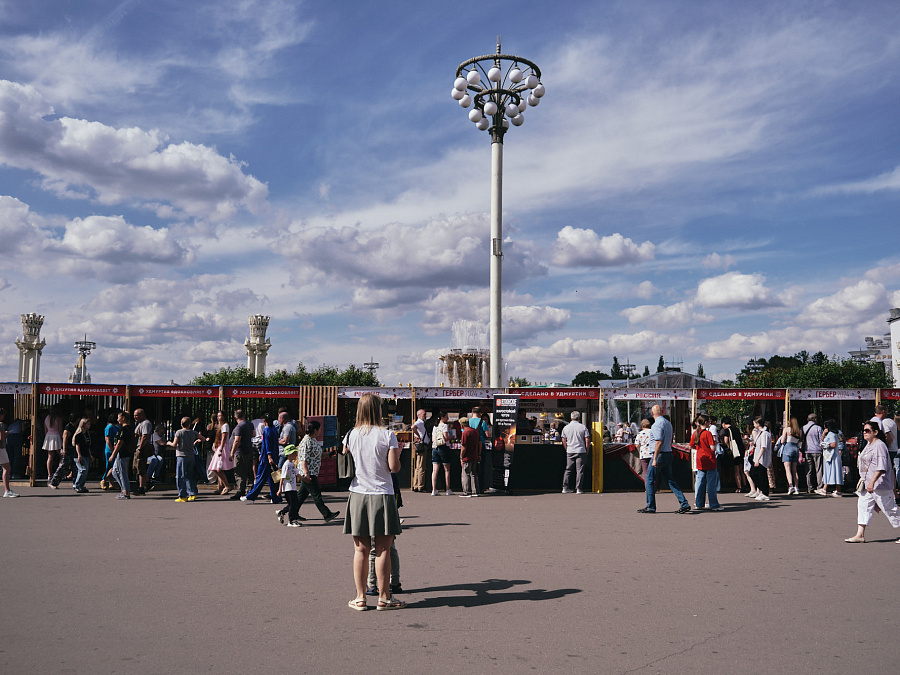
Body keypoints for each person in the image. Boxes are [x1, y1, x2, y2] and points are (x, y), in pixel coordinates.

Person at [342, 393, 405, 611]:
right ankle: (385, 598)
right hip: (382, 494)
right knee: (383, 549)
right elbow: (394, 468)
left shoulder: (351, 435)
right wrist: (399, 454)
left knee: (360, 550)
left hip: (358, 493)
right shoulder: (387, 435)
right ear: (378, 410)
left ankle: (360, 597)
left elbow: (348, 458)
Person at [844, 423, 900, 543]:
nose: (864, 432)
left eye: (867, 430)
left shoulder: (879, 445)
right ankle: (860, 534)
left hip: (879, 484)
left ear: (875, 432)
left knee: (890, 509)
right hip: (868, 484)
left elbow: (881, 467)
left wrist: (872, 482)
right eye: (863, 430)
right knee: (863, 506)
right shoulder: (869, 445)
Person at [638, 405, 691, 514]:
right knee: (670, 480)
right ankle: (684, 503)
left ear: (652, 414)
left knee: (649, 479)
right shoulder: (668, 423)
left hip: (660, 454)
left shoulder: (656, 424)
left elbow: (658, 442)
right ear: (661, 411)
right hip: (668, 453)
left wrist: (655, 459)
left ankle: (650, 506)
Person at [293, 420, 340, 521]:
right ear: (315, 430)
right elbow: (303, 459)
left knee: (301, 496)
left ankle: (289, 512)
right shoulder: (306, 441)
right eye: (319, 430)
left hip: (312, 471)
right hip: (309, 472)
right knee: (316, 494)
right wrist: (306, 474)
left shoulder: (313, 440)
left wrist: (329, 454)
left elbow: (318, 455)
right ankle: (326, 514)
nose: (320, 432)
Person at [242, 413, 281, 504]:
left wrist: (268, 455)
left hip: (267, 458)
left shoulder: (266, 430)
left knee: (260, 477)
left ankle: (251, 496)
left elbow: (267, 444)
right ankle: (276, 497)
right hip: (274, 456)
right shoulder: (274, 430)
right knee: (274, 478)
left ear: (264, 421)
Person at [689, 415, 723, 511]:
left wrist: (699, 449)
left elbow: (691, 445)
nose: (710, 423)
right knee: (711, 484)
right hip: (710, 459)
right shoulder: (708, 433)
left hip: (700, 459)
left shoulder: (696, 433)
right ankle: (714, 504)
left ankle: (699, 503)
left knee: (700, 482)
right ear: (705, 423)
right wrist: (715, 442)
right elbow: (712, 447)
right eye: (708, 422)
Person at [168, 416, 200, 502]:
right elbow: (203, 438)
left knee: (180, 476)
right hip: (190, 456)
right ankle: (192, 493)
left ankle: (182, 495)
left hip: (181, 456)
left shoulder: (179, 432)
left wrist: (169, 443)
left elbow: (174, 444)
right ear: (189, 424)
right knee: (190, 475)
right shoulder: (193, 432)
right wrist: (195, 442)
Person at [561, 411, 591, 494]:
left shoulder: (566, 427)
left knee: (568, 469)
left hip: (570, 450)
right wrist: (587, 449)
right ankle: (579, 488)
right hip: (581, 450)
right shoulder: (583, 427)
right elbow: (587, 439)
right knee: (580, 470)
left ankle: (565, 487)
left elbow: (563, 440)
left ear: (571, 418)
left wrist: (566, 449)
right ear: (579, 418)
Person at [229, 409, 254, 500]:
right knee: (248, 471)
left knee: (239, 472)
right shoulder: (249, 424)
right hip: (248, 450)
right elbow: (254, 434)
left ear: (235, 417)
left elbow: (237, 440)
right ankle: (250, 489)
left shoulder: (239, 426)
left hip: (240, 452)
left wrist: (232, 453)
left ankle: (241, 490)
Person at [870, 405, 897, 488]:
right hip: (893, 449)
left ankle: (891, 492)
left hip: (889, 449)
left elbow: (889, 438)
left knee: (886, 471)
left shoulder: (885, 422)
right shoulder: (889, 421)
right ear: (883, 412)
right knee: (890, 471)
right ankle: (893, 492)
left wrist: (884, 448)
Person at [48, 414, 77, 489]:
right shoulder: (68, 427)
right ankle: (54, 482)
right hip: (68, 448)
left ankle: (76, 482)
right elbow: (65, 438)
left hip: (72, 449)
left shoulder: (74, 427)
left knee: (75, 466)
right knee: (64, 466)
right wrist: (64, 449)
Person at [109, 412, 133, 499]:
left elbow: (120, 443)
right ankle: (123, 488)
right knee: (115, 471)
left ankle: (126, 492)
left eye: (118, 417)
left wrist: (113, 454)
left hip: (122, 453)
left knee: (122, 473)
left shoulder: (124, 429)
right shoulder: (125, 428)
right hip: (122, 453)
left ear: (123, 418)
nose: (117, 419)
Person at [208, 411, 233, 495]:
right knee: (217, 468)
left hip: (223, 447)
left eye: (221, 416)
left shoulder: (225, 426)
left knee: (218, 468)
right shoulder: (220, 426)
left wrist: (221, 449)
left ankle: (226, 486)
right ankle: (220, 486)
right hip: (219, 446)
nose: (219, 417)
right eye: (218, 416)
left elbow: (224, 438)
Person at [277, 445, 302, 526]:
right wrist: (280, 489)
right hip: (287, 488)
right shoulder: (286, 464)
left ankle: (282, 512)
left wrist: (305, 479)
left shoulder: (293, 464)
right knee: (292, 504)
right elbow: (282, 477)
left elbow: (297, 474)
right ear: (289, 454)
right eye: (294, 453)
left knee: (294, 503)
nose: (296, 455)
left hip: (293, 487)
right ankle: (291, 520)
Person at [720, 417, 746, 493]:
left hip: (735, 451)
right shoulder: (736, 429)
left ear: (723, 424)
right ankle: (744, 485)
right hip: (740, 449)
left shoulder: (727, 430)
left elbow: (726, 441)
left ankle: (739, 487)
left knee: (736, 470)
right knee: (742, 469)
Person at [749, 417, 772, 502]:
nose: (754, 425)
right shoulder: (761, 433)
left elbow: (763, 447)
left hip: (762, 458)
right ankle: (763, 491)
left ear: (758, 424)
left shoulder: (764, 433)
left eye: (754, 423)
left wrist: (758, 459)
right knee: (756, 474)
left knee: (759, 475)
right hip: (758, 457)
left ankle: (765, 492)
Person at [431, 412, 453, 496]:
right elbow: (446, 438)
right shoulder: (444, 426)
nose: (448, 418)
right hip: (443, 448)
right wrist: (452, 437)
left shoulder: (435, 426)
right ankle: (448, 489)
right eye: (447, 417)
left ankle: (434, 489)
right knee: (447, 469)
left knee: (435, 470)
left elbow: (433, 439)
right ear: (442, 417)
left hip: (435, 447)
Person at [778, 416, 802, 495]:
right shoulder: (799, 431)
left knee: (787, 469)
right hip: (795, 448)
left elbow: (782, 441)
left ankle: (790, 486)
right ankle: (797, 487)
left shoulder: (786, 429)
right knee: (794, 470)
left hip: (788, 447)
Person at [820, 419, 844, 497]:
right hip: (833, 455)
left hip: (831, 456)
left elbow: (833, 444)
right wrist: (823, 434)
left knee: (831, 471)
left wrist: (826, 445)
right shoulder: (835, 433)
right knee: (835, 471)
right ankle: (837, 489)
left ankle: (826, 489)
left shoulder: (831, 434)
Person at [132, 409, 153, 496]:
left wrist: (140, 448)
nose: (135, 417)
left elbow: (145, 436)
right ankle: (143, 485)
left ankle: (145, 484)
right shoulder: (140, 424)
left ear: (142, 415)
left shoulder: (146, 423)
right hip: (138, 447)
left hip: (142, 448)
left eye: (136, 415)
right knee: (138, 467)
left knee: (140, 467)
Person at [802, 413, 824, 494]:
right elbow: (821, 440)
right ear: (815, 419)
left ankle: (810, 487)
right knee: (819, 469)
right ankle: (819, 486)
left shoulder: (803, 428)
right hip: (817, 450)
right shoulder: (818, 428)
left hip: (807, 450)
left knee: (809, 470)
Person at [460, 415, 480, 497]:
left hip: (467, 457)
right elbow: (480, 443)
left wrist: (461, 456)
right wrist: (479, 453)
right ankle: (475, 491)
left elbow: (464, 446)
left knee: (465, 473)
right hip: (474, 455)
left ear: (462, 425)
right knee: (474, 474)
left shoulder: (465, 433)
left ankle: (466, 491)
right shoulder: (475, 431)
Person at [70, 417, 92, 493]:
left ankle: (81, 485)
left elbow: (87, 446)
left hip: (85, 454)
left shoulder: (86, 434)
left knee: (85, 471)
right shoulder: (79, 435)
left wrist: (90, 455)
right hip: (79, 455)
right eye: (88, 424)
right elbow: (77, 445)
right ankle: (77, 485)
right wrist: (79, 455)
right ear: (83, 424)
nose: (89, 425)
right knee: (82, 470)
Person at [0, 408, 18, 498]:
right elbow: (1, 438)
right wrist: (6, 434)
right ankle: (7, 490)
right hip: (0, 448)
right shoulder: (1, 424)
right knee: (7, 468)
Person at [43, 406, 64, 481]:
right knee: (61, 456)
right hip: (57, 436)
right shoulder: (58, 418)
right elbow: (60, 430)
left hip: (49, 436)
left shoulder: (47, 417)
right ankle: (59, 473)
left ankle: (49, 474)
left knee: (50, 457)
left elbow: (45, 430)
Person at [411, 409, 429, 492]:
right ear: (419, 415)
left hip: (419, 444)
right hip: (422, 445)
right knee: (421, 466)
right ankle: (420, 486)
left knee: (418, 466)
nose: (425, 416)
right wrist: (418, 436)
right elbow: (413, 427)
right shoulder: (420, 422)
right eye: (424, 414)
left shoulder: (420, 423)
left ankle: (415, 485)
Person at [99, 414, 119, 491]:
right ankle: (104, 479)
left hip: (114, 448)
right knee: (111, 465)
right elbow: (107, 439)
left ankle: (111, 483)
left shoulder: (116, 427)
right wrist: (112, 450)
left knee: (111, 465)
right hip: (110, 449)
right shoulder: (109, 427)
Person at [635, 418, 655, 482]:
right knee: (654, 472)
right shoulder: (654, 432)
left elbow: (637, 444)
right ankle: (654, 487)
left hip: (644, 454)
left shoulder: (640, 433)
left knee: (646, 472)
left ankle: (648, 488)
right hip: (653, 454)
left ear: (642, 426)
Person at [147, 423, 167, 488]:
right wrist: (169, 443)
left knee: (160, 459)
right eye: (163, 429)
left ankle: (155, 476)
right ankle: (148, 477)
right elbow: (161, 443)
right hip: (150, 454)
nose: (164, 430)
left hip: (156, 454)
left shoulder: (162, 436)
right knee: (154, 460)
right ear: (159, 429)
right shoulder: (155, 435)